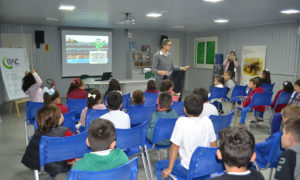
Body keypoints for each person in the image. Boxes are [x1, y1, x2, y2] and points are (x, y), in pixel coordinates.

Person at [155, 94, 217, 179]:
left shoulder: (181, 122)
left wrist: (169, 168)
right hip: (204, 169)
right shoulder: (208, 121)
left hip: (187, 169)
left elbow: (175, 147)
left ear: (184, 109)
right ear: (202, 109)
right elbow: (214, 146)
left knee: (159, 166)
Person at [21, 104, 73, 177]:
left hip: (37, 165)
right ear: (58, 119)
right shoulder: (65, 132)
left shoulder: (38, 131)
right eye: (60, 113)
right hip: (58, 167)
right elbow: (71, 158)